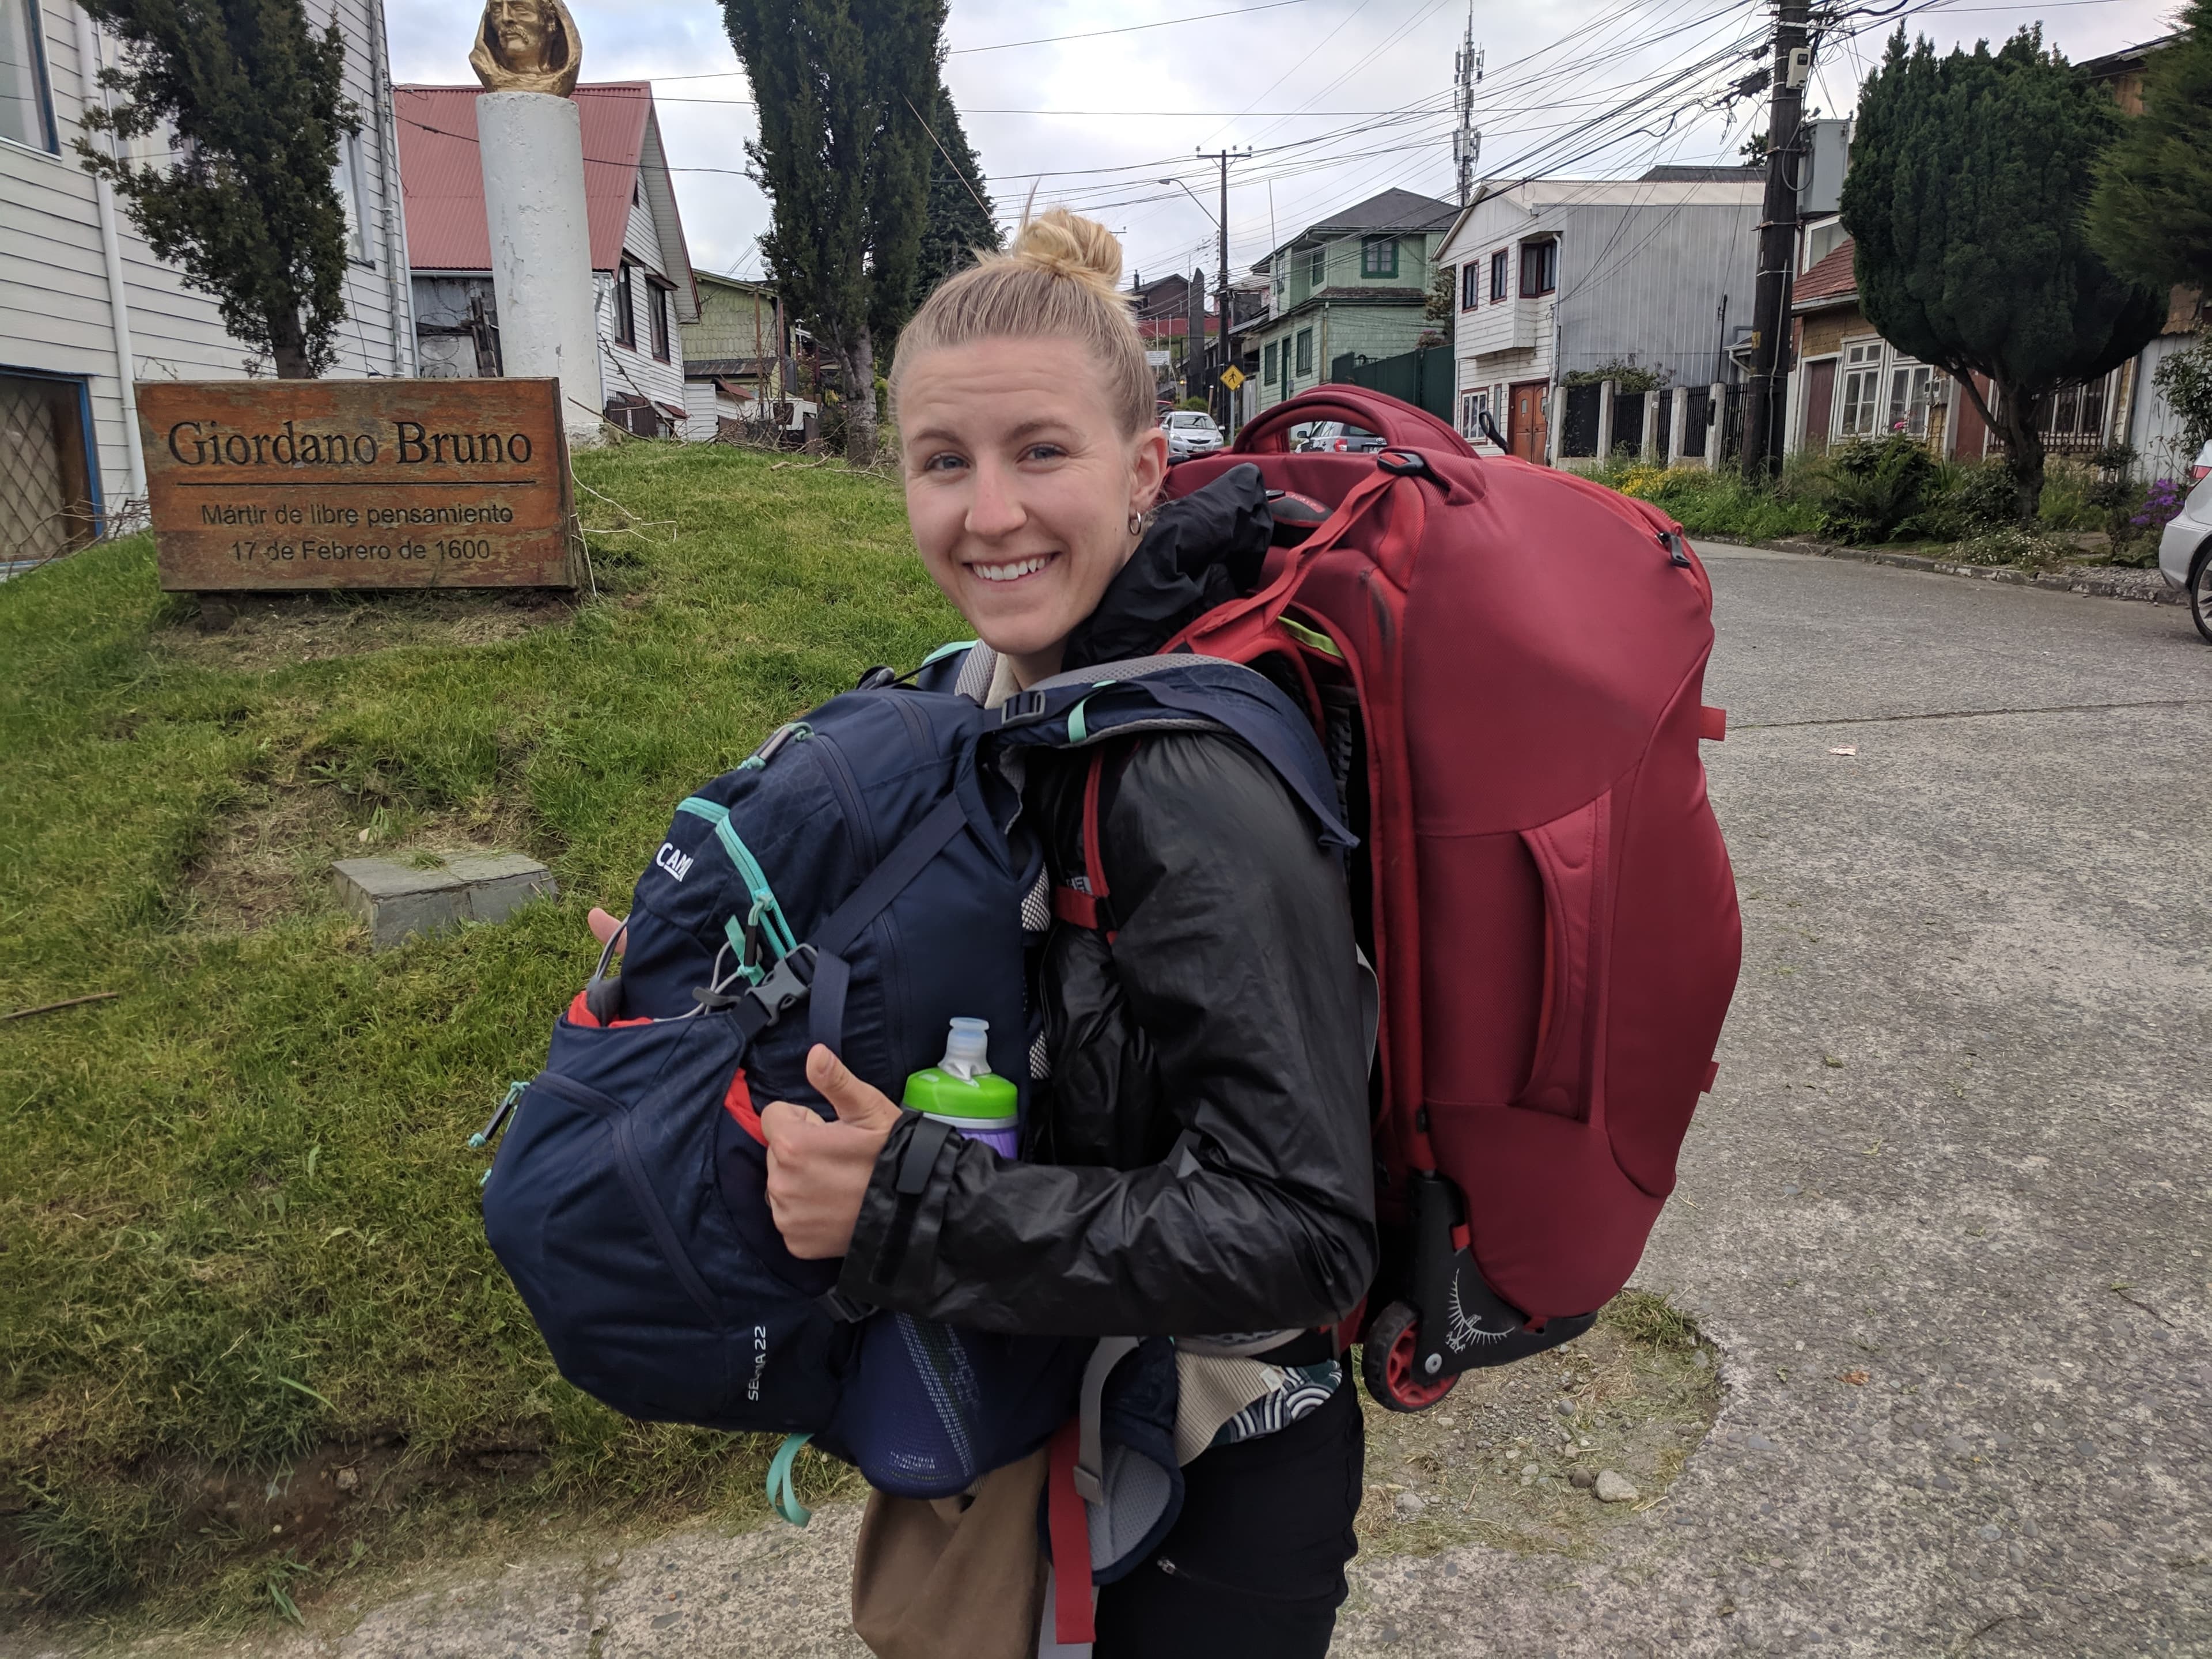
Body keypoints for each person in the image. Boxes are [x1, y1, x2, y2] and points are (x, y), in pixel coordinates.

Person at [594, 209, 1373, 1655]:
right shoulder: (991, 690)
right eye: (944, 463)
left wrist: (901, 1209)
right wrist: (753, 1015)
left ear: (1144, 470)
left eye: (1041, 454)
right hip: (1048, 1396)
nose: (991, 513)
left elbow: (1305, 1232)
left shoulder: (1187, 778)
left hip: (1209, 1469)